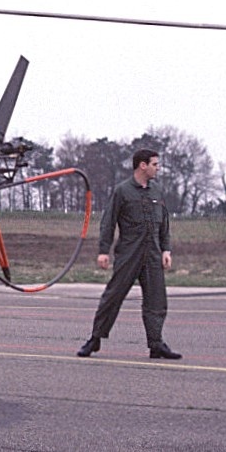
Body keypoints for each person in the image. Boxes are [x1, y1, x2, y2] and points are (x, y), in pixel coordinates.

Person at [77, 148, 181, 359]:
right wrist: (103, 251)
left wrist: (166, 249)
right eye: (154, 164)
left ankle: (156, 343)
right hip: (129, 254)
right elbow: (109, 222)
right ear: (142, 165)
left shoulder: (157, 192)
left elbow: (164, 223)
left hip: (152, 254)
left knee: (156, 300)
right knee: (113, 297)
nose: (157, 168)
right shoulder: (122, 191)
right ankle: (95, 339)